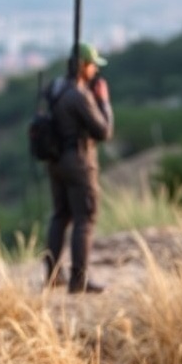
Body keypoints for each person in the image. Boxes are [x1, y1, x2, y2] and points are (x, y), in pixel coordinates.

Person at [42, 41, 114, 295]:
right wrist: (103, 101)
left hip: (55, 160)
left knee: (60, 215)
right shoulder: (79, 96)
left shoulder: (56, 88)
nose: (95, 70)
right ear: (83, 65)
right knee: (85, 218)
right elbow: (104, 131)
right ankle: (78, 281)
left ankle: (52, 275)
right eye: (93, 65)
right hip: (79, 162)